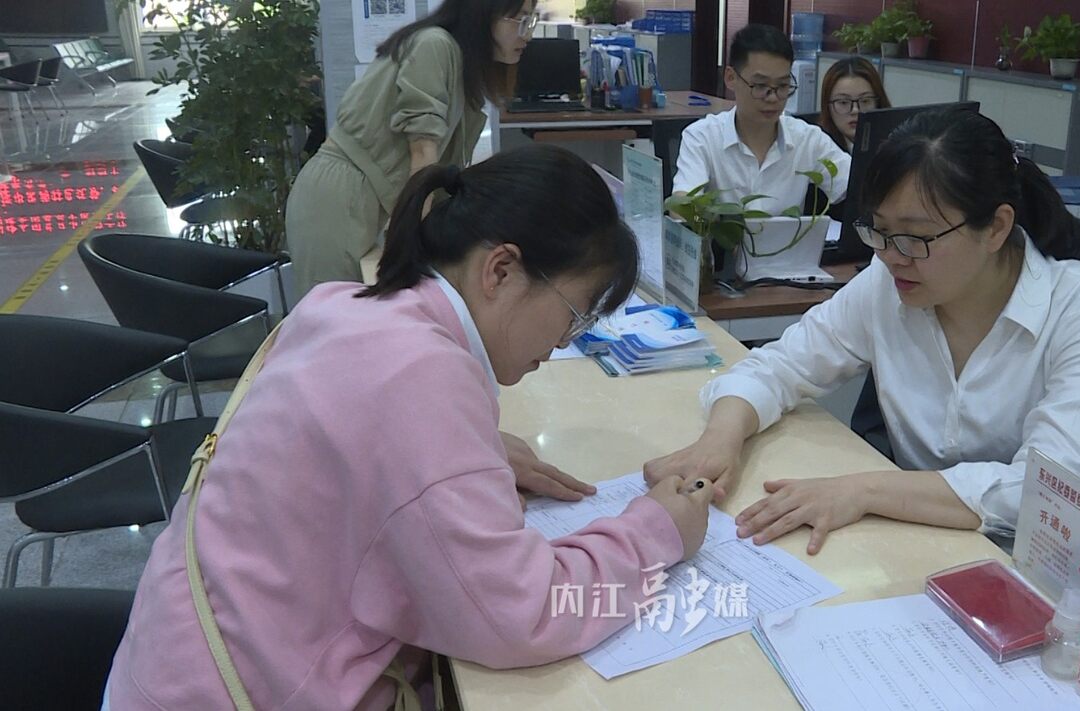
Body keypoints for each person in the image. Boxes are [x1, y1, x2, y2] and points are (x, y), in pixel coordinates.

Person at [104, 145, 715, 710]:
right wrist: (656, 532)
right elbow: (521, 614)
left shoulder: (345, 305)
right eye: (575, 315)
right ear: (500, 270)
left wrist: (465, 458)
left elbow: (353, 447)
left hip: (173, 664)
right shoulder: (422, 377)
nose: (562, 342)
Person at [645, 107, 1080, 554]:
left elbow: (1050, 492)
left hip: (1070, 567)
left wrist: (864, 490)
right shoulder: (888, 283)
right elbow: (780, 366)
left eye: (916, 237)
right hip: (930, 543)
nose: (892, 255)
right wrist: (721, 439)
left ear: (996, 227)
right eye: (878, 231)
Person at [285, 0, 537, 296]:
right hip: (341, 199)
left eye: (531, 21)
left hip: (371, 201)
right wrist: (414, 243)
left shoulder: (463, 64)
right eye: (520, 20)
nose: (527, 35)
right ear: (483, 14)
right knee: (333, 318)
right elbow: (423, 155)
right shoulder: (435, 45)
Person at [671, 24, 850, 215]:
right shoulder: (702, 137)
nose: (772, 98)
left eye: (782, 86)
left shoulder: (807, 139)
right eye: (760, 85)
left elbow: (860, 188)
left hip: (791, 237)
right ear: (731, 78)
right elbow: (682, 209)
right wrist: (710, 225)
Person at [818, 56, 891, 151]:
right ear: (828, 107)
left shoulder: (896, 146)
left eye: (865, 101)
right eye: (844, 102)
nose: (855, 110)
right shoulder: (817, 148)